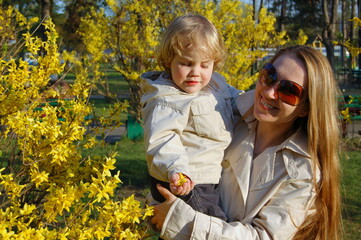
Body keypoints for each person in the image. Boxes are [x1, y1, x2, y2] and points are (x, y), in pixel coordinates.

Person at [150, 45, 342, 240]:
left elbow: (263, 236)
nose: (269, 93)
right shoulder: (225, 112)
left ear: (306, 108)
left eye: (288, 90)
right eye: (270, 75)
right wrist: (161, 198)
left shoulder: (303, 170)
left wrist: (180, 221)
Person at [140, 14, 241, 222]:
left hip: (206, 179)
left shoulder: (215, 84)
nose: (196, 72)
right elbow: (162, 140)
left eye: (205, 65)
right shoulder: (167, 99)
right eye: (186, 63)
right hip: (185, 181)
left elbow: (236, 100)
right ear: (169, 60)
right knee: (209, 227)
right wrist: (177, 171)